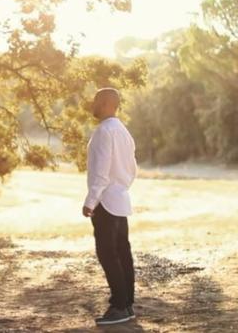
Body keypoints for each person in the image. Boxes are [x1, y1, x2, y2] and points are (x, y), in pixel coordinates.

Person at [82, 87, 137, 326]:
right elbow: (132, 169)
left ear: (105, 103)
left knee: (108, 253)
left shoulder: (105, 131)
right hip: (120, 199)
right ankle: (127, 304)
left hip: (105, 201)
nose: (92, 105)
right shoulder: (123, 131)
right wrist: (121, 188)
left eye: (96, 101)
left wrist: (90, 201)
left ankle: (118, 306)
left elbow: (102, 172)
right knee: (122, 252)